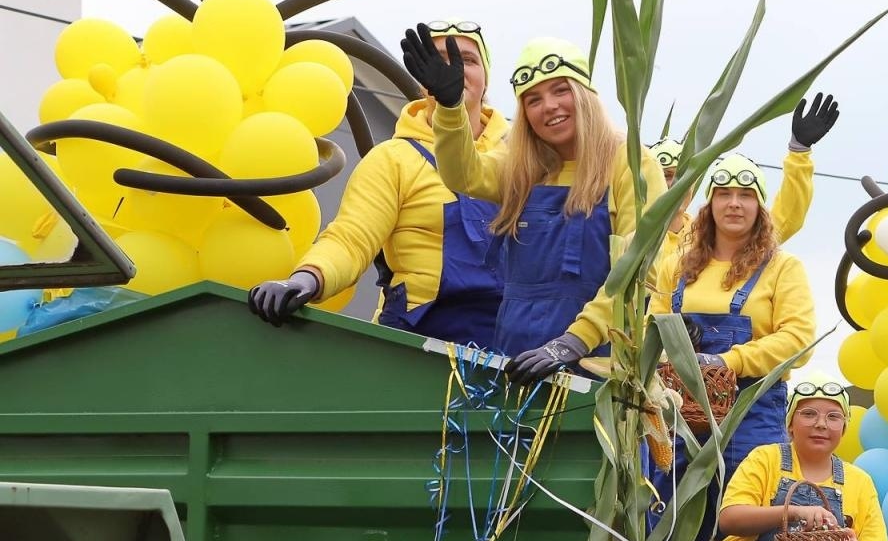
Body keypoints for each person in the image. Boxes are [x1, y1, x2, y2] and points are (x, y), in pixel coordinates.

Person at [403, 27, 665, 385]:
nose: (550, 106)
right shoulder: (521, 165)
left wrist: (574, 341)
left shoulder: (630, 162)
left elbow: (638, 272)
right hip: (519, 361)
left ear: (585, 94)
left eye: (561, 90)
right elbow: (465, 176)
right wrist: (451, 110)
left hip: (598, 368)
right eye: (533, 98)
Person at [247, 20, 508, 347]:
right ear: (424, 79)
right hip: (416, 343)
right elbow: (351, 238)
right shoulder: (393, 159)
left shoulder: (522, 160)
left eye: (467, 60)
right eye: (438, 58)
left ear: (486, 80)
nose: (453, 68)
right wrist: (306, 279)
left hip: (511, 348)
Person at [648, 152, 817, 541]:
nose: (734, 204)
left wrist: (726, 362)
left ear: (761, 207)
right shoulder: (676, 267)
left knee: (741, 518)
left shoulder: (782, 267)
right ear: (709, 205)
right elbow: (648, 327)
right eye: (724, 194)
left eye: (746, 194)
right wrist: (673, 357)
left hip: (751, 408)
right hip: (678, 414)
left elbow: (799, 340)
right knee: (672, 513)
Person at [719, 376, 888, 541]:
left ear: (844, 429)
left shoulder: (860, 480)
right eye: (809, 414)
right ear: (790, 424)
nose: (821, 424)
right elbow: (729, 520)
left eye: (833, 417)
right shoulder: (765, 458)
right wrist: (793, 512)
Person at [650, 92, 838, 240]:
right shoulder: (629, 237)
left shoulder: (708, 239)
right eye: (664, 175)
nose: (673, 184)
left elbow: (786, 219)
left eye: (682, 177)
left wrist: (799, 150)